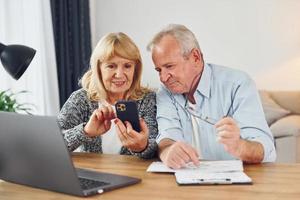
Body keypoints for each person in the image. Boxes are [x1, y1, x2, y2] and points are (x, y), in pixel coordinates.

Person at [147, 24, 276, 169]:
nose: (163, 78)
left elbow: (264, 148)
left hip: (238, 183)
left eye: (169, 66)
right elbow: (167, 136)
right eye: (159, 70)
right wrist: (167, 151)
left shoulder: (238, 84)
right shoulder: (166, 91)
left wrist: (239, 146)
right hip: (187, 181)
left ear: (195, 57)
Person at [57, 32, 158, 159]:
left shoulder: (148, 100)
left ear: (135, 69)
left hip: (136, 176)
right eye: (111, 66)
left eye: (127, 66)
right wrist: (85, 131)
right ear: (98, 69)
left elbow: (158, 148)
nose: (120, 74)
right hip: (94, 175)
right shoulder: (81, 99)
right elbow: (52, 144)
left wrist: (143, 146)